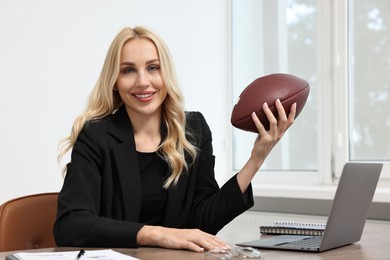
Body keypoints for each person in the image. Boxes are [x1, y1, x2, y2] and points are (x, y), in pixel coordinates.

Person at [54, 26, 296, 252]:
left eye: (153, 67)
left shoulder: (193, 129)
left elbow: (203, 221)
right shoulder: (96, 136)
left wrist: (256, 159)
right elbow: (71, 225)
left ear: (166, 74)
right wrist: (156, 234)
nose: (143, 81)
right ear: (115, 82)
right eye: (128, 70)